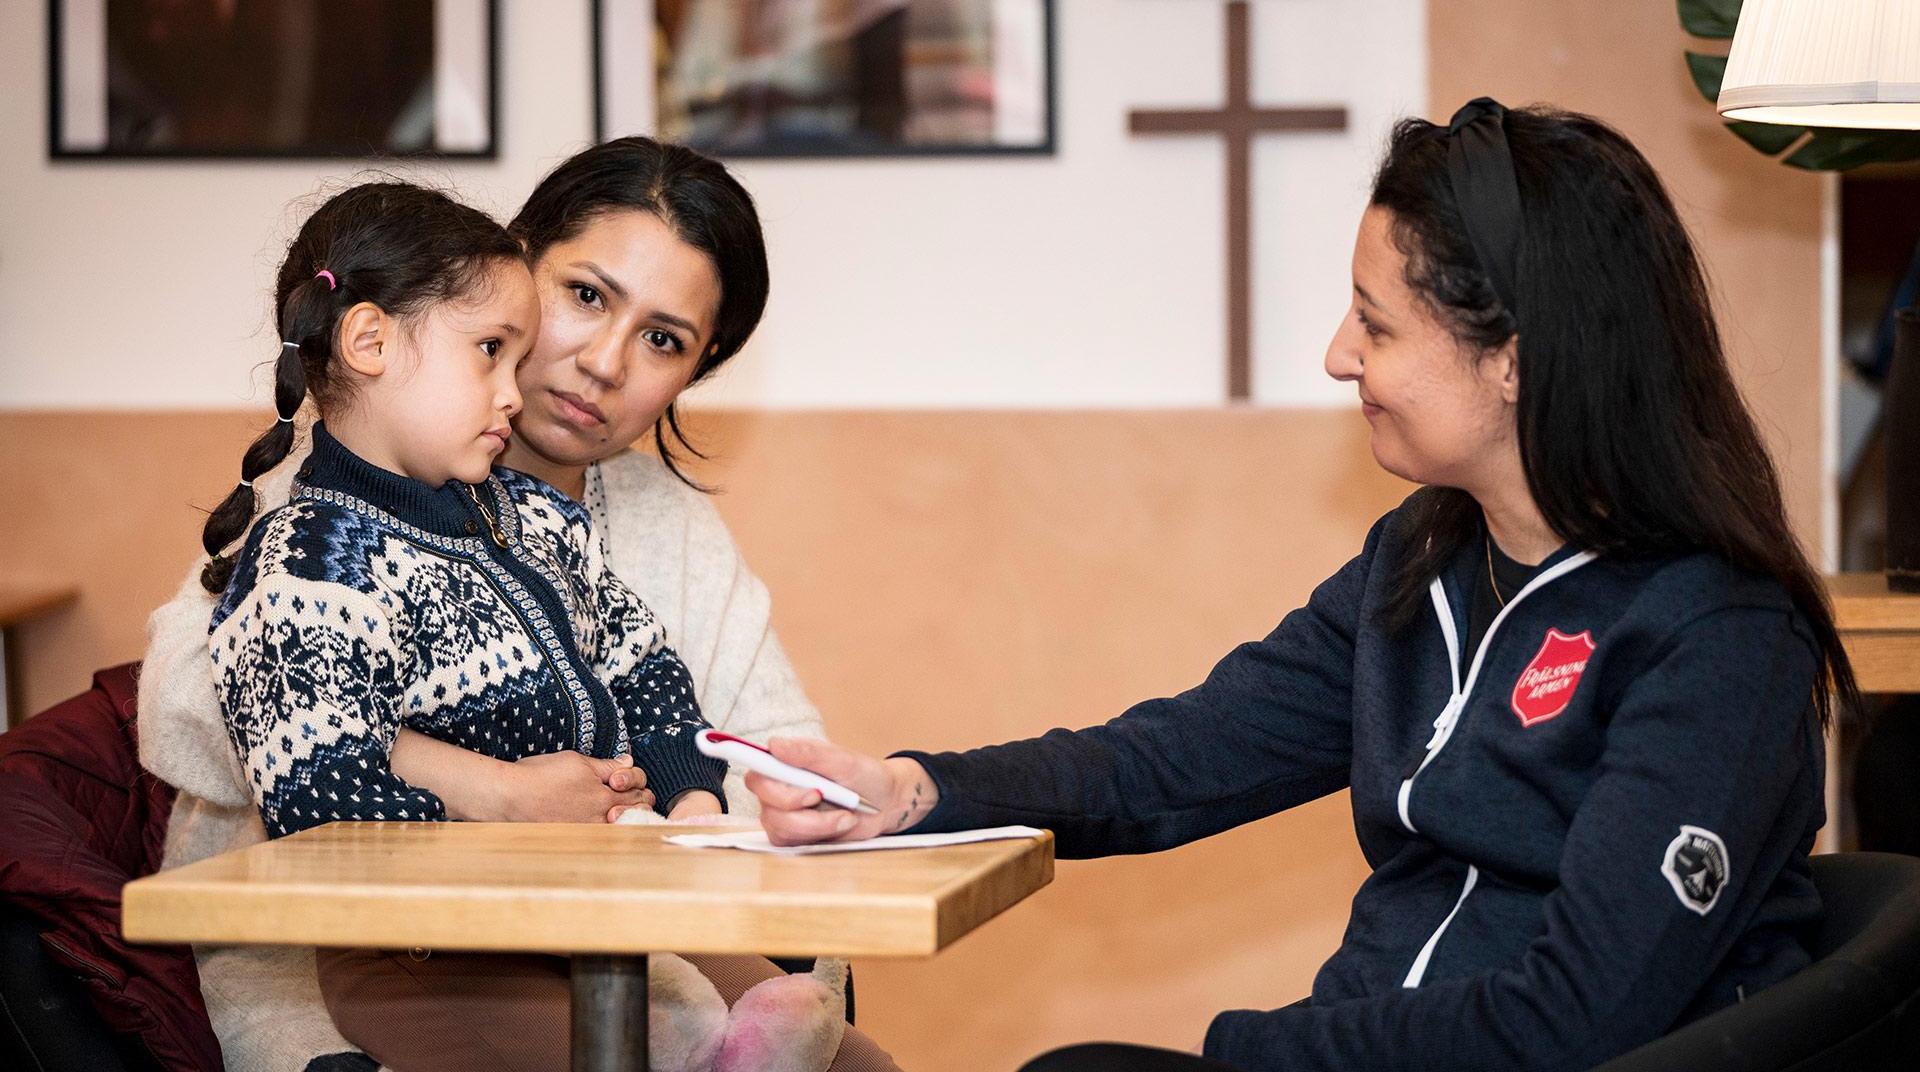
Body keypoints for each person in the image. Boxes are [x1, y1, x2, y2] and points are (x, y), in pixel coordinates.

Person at [745, 99, 1860, 1072]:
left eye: (1375, 322)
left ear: (1514, 355)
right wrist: (911, 792)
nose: (1338, 355)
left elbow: (1576, 1018)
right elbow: (1172, 760)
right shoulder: (1419, 563)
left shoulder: (1719, 634)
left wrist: (1253, 1050)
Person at [139, 140, 898, 1071]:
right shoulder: (327, 508)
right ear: (514, 266)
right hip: (338, 944)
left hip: (608, 918)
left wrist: (687, 799)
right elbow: (193, 707)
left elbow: (759, 751)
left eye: (664, 340)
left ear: (693, 373)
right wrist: (501, 790)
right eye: (585, 296)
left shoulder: (649, 528)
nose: (604, 363)